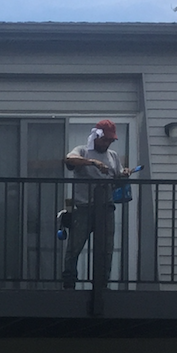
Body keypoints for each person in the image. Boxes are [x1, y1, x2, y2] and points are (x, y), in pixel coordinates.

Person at [61, 119, 131, 289]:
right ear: (96, 136)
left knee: (106, 249)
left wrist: (124, 174)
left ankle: (102, 284)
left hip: (106, 208)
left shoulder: (113, 156)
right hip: (83, 208)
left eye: (110, 140)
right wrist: (93, 162)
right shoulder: (82, 151)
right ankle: (69, 283)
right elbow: (69, 160)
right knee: (74, 247)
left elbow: (116, 175)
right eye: (105, 139)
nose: (107, 143)